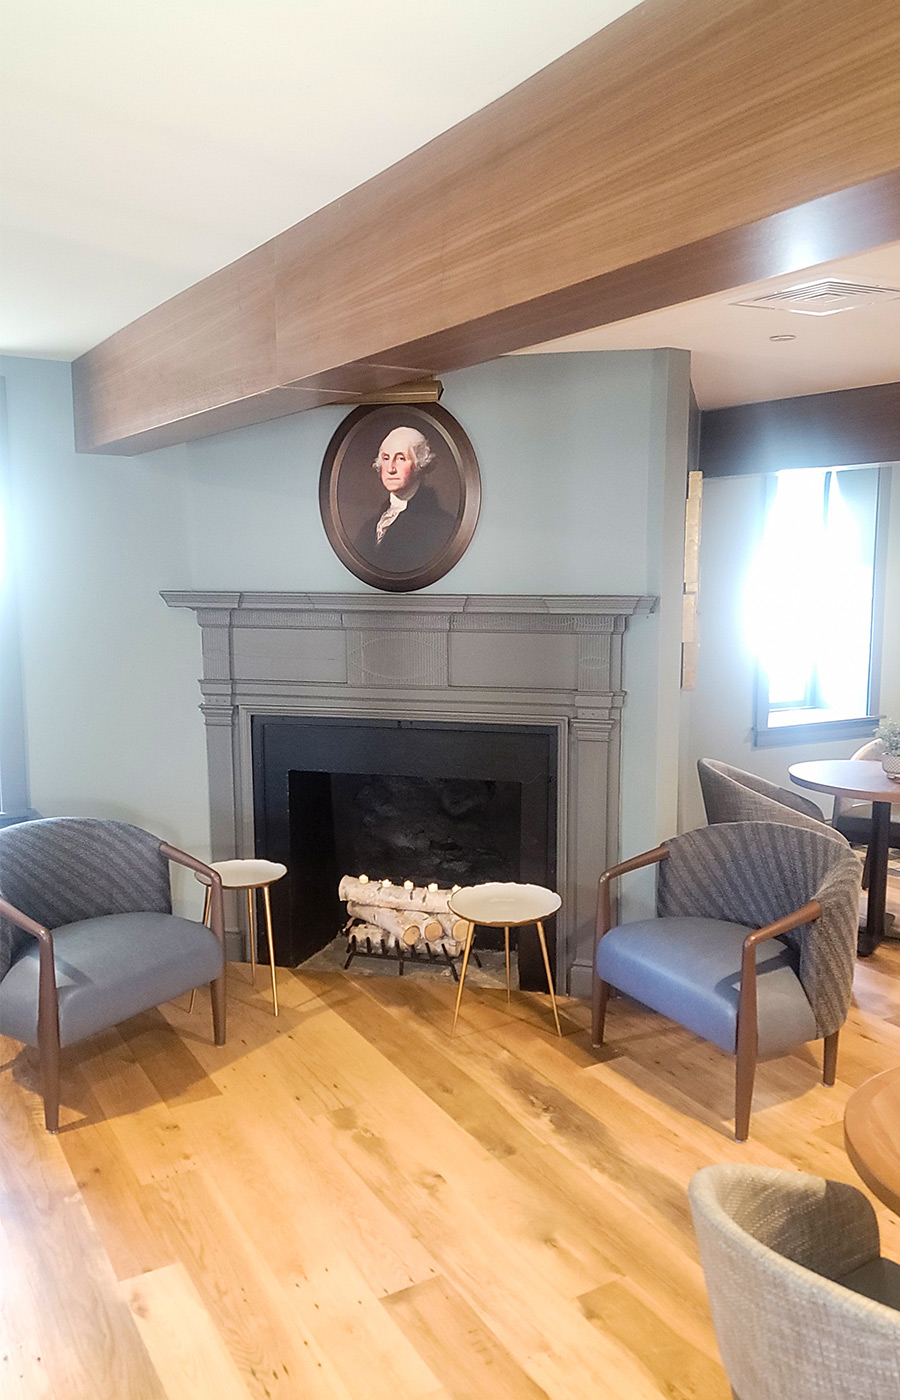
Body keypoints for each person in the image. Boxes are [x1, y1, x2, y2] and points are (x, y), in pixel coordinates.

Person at [355, 426, 455, 571]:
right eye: (386, 458)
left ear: (420, 464)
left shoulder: (441, 525)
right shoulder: (369, 527)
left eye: (401, 458)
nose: (390, 469)